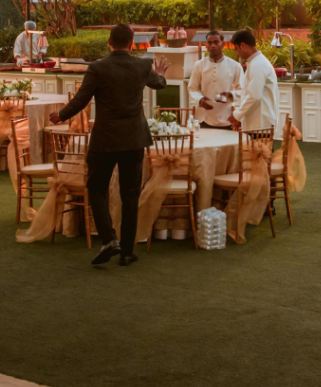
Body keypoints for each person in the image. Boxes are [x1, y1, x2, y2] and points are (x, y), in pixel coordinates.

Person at [48, 23, 168, 266]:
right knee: (130, 195)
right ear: (131, 44)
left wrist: (60, 115)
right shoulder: (142, 66)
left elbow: (81, 100)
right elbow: (160, 83)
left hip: (105, 139)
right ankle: (127, 252)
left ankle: (109, 238)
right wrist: (161, 73)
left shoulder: (98, 68)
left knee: (96, 188)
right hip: (134, 139)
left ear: (109, 42)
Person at [188, 30, 243, 129]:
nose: (213, 45)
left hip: (227, 119)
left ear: (222, 44)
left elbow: (242, 90)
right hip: (204, 118)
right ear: (206, 45)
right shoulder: (199, 65)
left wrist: (230, 95)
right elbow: (193, 88)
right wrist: (200, 99)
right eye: (209, 43)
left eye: (216, 42)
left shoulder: (235, 66)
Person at [228, 29, 279, 131]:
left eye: (236, 49)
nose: (237, 53)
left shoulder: (258, 65)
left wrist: (237, 115)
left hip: (260, 125)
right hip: (256, 123)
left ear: (243, 45)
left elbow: (254, 96)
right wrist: (241, 118)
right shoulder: (255, 63)